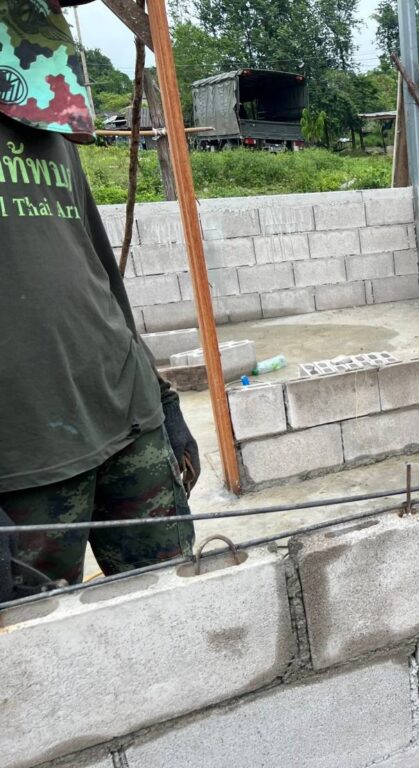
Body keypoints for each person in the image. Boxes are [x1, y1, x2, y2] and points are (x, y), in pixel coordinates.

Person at [0, 0, 199, 601]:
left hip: (125, 418)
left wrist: (161, 398)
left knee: (180, 608)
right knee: (45, 645)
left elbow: (101, 276)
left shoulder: (43, 114)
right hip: (25, 461)